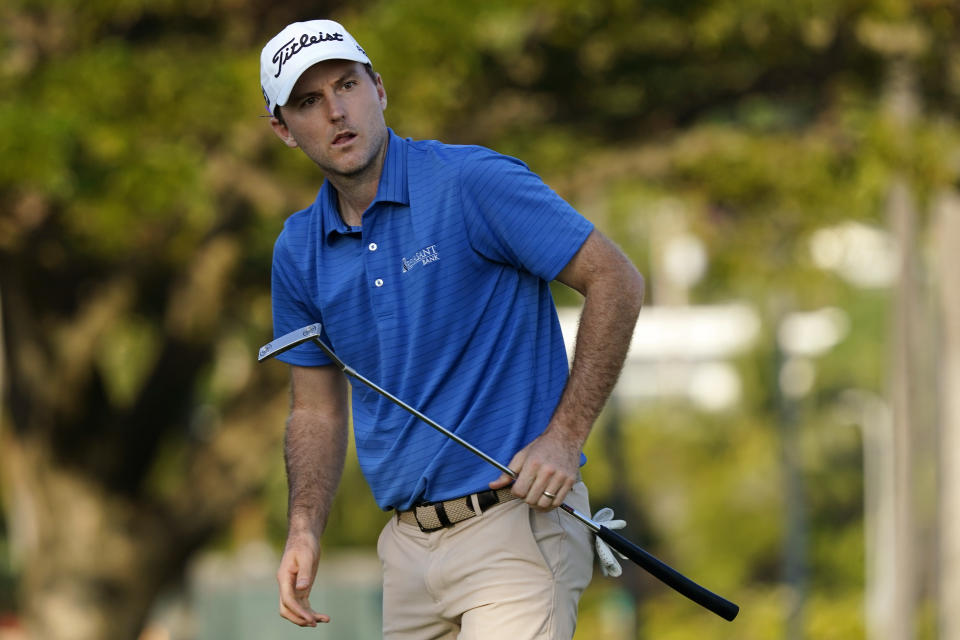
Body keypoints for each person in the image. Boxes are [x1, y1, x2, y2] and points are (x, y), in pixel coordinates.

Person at [260, 18, 644, 640]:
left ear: (379, 90)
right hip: (407, 553)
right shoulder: (297, 250)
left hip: (517, 529)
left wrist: (563, 437)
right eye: (308, 101)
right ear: (283, 129)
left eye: (347, 85)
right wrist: (304, 527)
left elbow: (616, 279)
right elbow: (317, 411)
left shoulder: (472, 183)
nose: (336, 111)